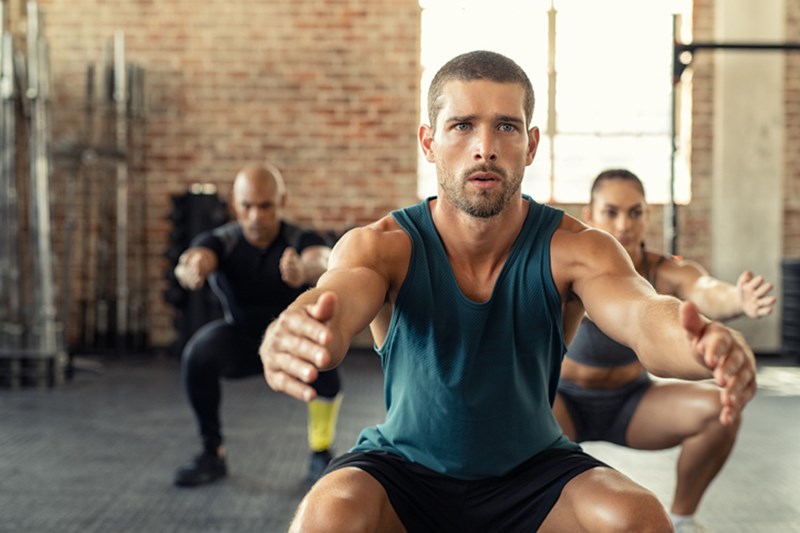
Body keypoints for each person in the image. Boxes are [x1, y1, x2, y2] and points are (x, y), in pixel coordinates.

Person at [259, 50, 756, 532]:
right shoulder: (383, 246)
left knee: (640, 520)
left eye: (506, 127)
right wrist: (299, 325)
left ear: (531, 144)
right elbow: (335, 303)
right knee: (325, 517)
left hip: (533, 472)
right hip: (404, 470)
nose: (485, 148)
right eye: (462, 126)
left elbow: (644, 316)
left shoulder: (577, 248)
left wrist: (699, 345)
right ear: (429, 142)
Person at [552, 168, 775, 532]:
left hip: (629, 402)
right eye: (611, 212)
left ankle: (683, 519)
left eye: (634, 212)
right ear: (589, 214)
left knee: (720, 411)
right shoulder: (570, 266)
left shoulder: (661, 270)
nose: (623, 224)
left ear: (647, 215)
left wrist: (737, 298)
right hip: (564, 403)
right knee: (520, 423)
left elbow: (703, 288)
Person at [172, 163, 342, 487]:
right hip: (243, 340)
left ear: (282, 202)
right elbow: (194, 258)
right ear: (235, 204)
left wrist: (303, 270)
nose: (255, 216)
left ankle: (320, 452)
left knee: (325, 351)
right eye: (247, 206)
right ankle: (212, 452)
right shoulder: (224, 240)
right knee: (198, 355)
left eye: (265, 206)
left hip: (291, 343)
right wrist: (191, 269)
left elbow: (323, 259)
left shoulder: (299, 238)